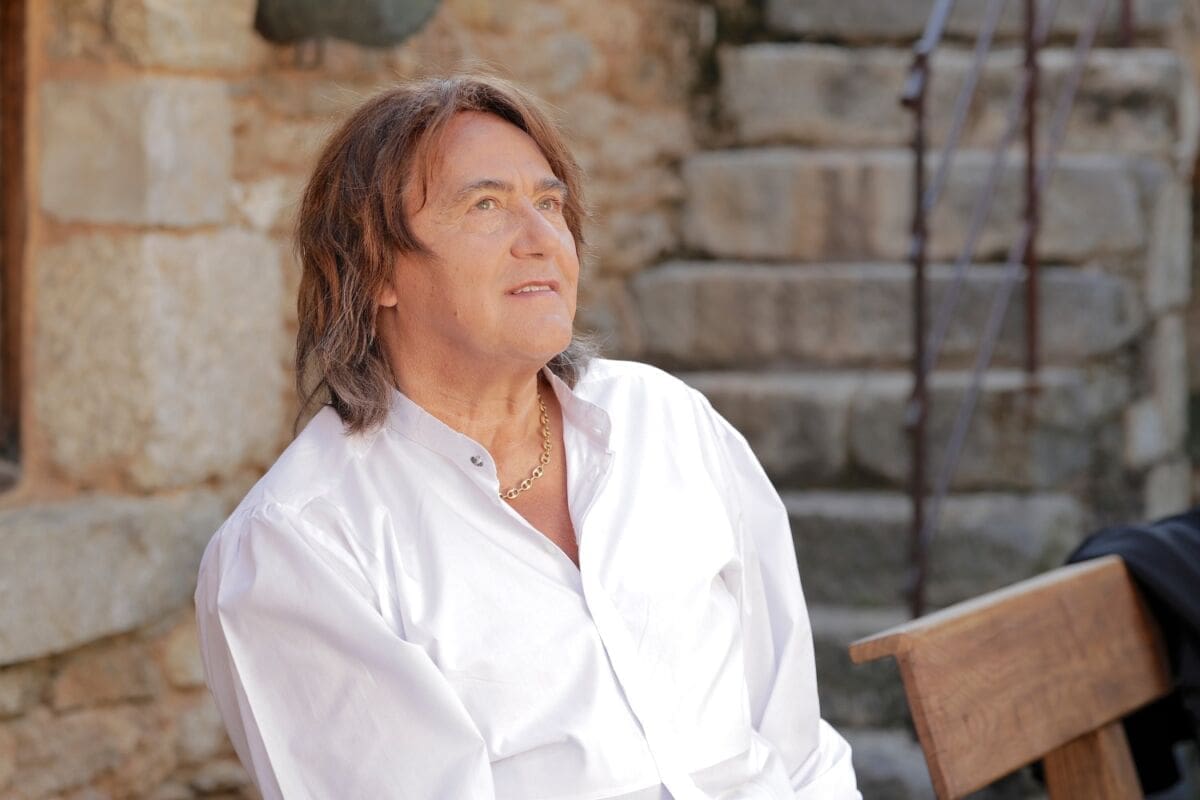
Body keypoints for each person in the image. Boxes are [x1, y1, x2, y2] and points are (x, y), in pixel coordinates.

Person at [194, 73, 860, 799]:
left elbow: (795, 739)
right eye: (485, 206)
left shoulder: (667, 420)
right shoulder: (302, 543)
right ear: (375, 265)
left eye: (549, 204)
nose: (544, 241)